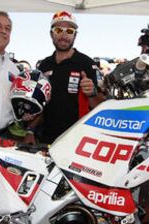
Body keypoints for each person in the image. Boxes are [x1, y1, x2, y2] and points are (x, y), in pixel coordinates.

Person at [29, 10, 103, 144]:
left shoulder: (86, 64)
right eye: (58, 30)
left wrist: (92, 93)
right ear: (51, 34)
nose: (64, 35)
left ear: (75, 36)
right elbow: (39, 104)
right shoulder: (44, 65)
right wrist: (30, 130)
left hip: (77, 140)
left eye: (69, 31)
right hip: (46, 138)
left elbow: (101, 106)